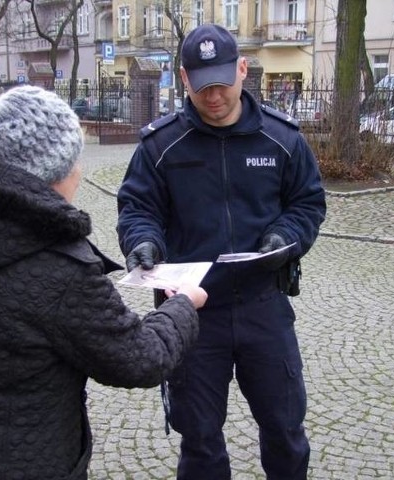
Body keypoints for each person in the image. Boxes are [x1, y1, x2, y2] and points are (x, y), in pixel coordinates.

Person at [0, 85, 207, 480]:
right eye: (75, 159)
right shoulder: (59, 265)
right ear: (56, 168)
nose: (79, 171)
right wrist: (183, 304)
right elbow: (139, 360)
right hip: (28, 462)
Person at [117, 24, 326, 480]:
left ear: (243, 70)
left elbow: (307, 203)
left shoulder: (282, 139)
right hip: (192, 315)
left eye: (223, 82)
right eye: (202, 84)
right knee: (200, 439)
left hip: (264, 307)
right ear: (184, 79)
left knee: (285, 430)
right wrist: (143, 242)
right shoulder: (160, 145)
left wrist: (283, 237)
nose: (214, 95)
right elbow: (137, 208)